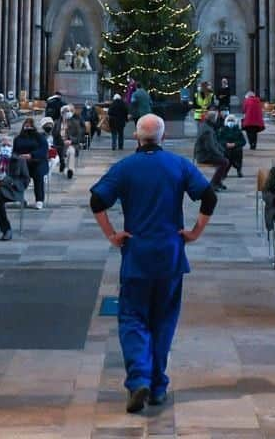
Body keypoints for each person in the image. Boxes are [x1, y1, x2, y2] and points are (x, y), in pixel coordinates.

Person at [89, 113, 217, 413]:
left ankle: (138, 380)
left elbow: (97, 200)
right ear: (163, 137)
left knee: (133, 318)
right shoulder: (178, 164)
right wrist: (195, 232)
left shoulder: (125, 167)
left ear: (136, 136)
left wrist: (111, 234)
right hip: (171, 254)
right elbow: (208, 197)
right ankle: (158, 385)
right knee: (164, 321)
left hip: (137, 253)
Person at [0, 136, 29, 240]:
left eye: (8, 145)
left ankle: (6, 229)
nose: (6, 147)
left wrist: (10, 182)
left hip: (12, 190)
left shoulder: (19, 160)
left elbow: (25, 179)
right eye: (3, 145)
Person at [14, 117, 50, 208]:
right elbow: (14, 151)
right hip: (22, 162)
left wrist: (31, 155)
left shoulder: (39, 137)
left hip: (37, 162)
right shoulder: (18, 138)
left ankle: (39, 200)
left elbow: (43, 150)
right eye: (26, 125)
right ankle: (20, 198)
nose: (28, 127)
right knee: (18, 175)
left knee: (38, 174)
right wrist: (19, 157)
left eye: (30, 125)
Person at [193, 109, 230, 192]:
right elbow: (210, 147)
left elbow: (215, 142)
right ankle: (214, 183)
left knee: (224, 159)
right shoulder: (207, 130)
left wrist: (222, 150)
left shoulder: (207, 126)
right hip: (204, 155)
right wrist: (220, 154)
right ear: (213, 119)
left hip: (205, 153)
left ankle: (218, 181)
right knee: (224, 162)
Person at [217, 113, 245, 177]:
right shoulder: (223, 130)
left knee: (237, 152)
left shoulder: (238, 130)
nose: (230, 122)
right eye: (229, 120)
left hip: (236, 148)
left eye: (232, 120)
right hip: (226, 148)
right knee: (226, 155)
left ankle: (239, 170)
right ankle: (224, 171)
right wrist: (226, 144)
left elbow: (243, 141)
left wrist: (235, 144)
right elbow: (219, 140)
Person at [58, 106, 83, 178]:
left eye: (68, 111)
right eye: (64, 112)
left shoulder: (75, 123)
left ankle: (70, 170)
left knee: (71, 151)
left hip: (71, 144)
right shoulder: (57, 122)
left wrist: (71, 140)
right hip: (59, 144)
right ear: (61, 113)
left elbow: (79, 136)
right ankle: (62, 162)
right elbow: (54, 134)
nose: (66, 113)